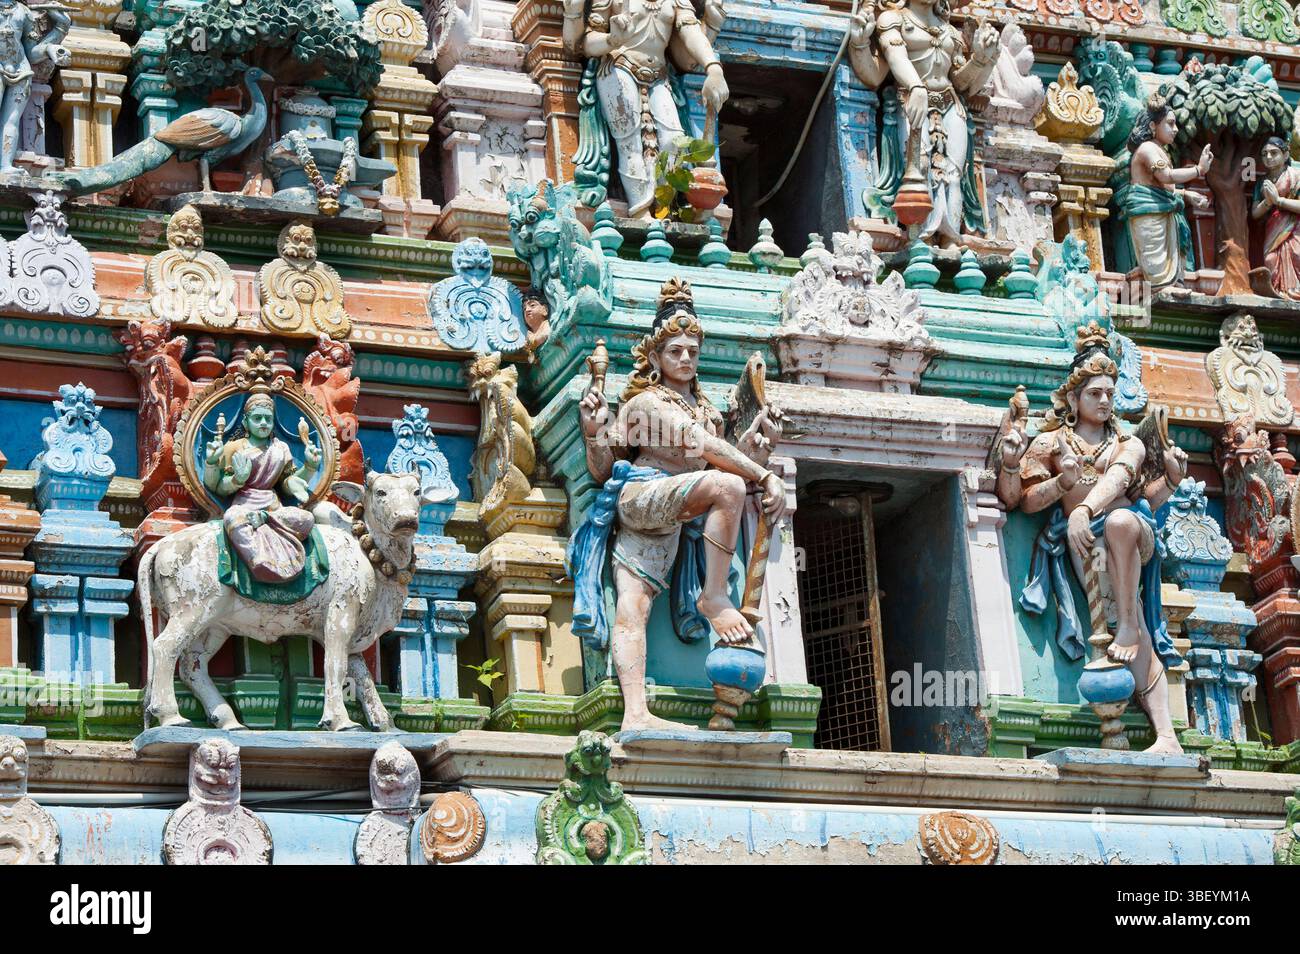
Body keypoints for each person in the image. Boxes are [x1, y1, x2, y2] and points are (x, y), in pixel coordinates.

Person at [570, 278, 784, 731]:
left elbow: (721, 450)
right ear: (654, 358)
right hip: (643, 496)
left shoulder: (705, 408)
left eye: (692, 349)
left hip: (675, 512)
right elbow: (606, 466)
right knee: (727, 486)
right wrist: (592, 432)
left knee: (633, 606)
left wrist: (760, 449)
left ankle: (635, 715)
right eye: (675, 351)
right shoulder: (647, 402)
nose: (685, 357)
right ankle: (713, 596)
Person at [997, 324, 1189, 755]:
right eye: (1094, 393)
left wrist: (1170, 482)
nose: (1105, 401)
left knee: (1121, 521)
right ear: (1072, 399)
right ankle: (1164, 737)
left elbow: (1135, 490)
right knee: (1117, 625)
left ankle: (1130, 630)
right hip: (1085, 546)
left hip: (1128, 533)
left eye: (1109, 392)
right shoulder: (1052, 442)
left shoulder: (1129, 443)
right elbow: (1021, 501)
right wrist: (1054, 483)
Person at [203, 393, 321, 584]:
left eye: (268, 418)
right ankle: (259, 560)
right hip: (245, 504)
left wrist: (309, 467)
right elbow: (217, 486)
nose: (263, 423)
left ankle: (266, 519)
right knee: (232, 518)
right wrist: (232, 476)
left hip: (274, 508)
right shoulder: (234, 447)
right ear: (245, 422)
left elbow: (287, 483)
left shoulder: (280, 448)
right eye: (257, 418)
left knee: (307, 518)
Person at [1119, 94, 1211, 290]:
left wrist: (1187, 195)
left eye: (1175, 124)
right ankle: (1160, 287)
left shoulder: (1160, 150)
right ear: (1153, 126)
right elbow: (1165, 176)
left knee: (1172, 267)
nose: (1175, 129)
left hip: (1162, 212)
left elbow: (1162, 188)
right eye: (1170, 124)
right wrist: (1199, 170)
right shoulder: (1147, 149)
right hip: (1150, 216)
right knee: (1156, 267)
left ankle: (1171, 286)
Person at [1251, 135, 1300, 300]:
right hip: (1273, 228)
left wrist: (1279, 200)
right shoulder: (1262, 182)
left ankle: (1294, 291)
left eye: (1274, 153)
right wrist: (1268, 201)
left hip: (1295, 228)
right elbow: (1255, 213)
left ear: (1286, 155)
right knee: (1271, 259)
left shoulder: (1296, 176)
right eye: (1264, 154)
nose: (1268, 157)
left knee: (1296, 255)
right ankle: (1277, 291)